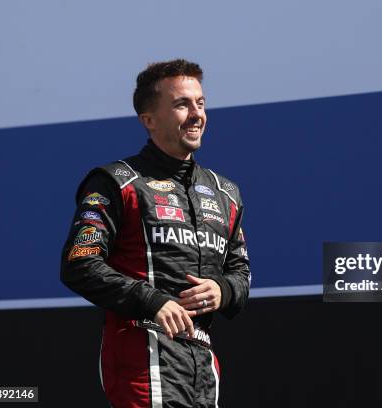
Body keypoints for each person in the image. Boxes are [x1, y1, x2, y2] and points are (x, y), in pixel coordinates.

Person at [60, 59, 251, 408]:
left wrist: (223, 290)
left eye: (201, 103)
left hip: (204, 365)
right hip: (141, 356)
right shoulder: (117, 181)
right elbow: (79, 263)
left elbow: (241, 273)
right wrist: (152, 299)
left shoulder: (226, 193)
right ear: (149, 120)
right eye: (182, 104)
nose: (197, 114)